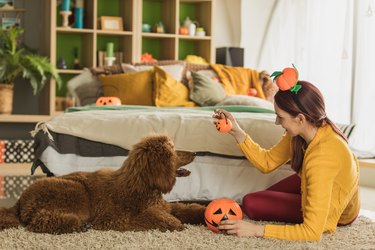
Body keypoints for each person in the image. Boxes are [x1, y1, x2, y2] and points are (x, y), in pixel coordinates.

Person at [212, 67, 360, 241]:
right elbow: (267, 162)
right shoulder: (304, 132)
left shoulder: (322, 157)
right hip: (321, 180)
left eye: (280, 117)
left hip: (340, 212)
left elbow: (311, 233)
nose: (276, 122)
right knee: (259, 199)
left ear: (300, 118)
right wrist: (236, 131)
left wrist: (255, 230)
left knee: (252, 204)